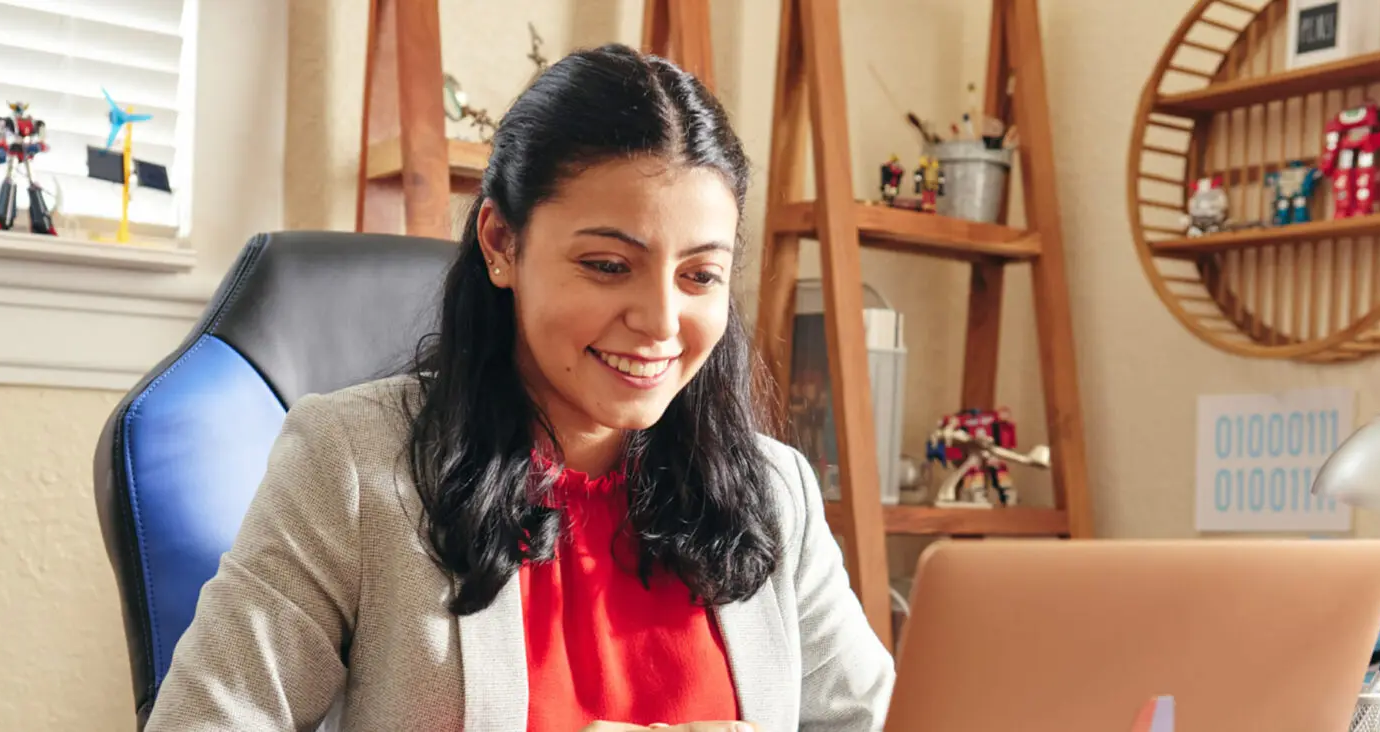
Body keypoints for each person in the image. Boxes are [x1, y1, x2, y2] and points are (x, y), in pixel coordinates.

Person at [144, 43, 894, 732]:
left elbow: (869, 718)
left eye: (700, 275)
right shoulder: (351, 465)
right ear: (503, 243)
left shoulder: (774, 490)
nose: (661, 321)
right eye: (607, 265)